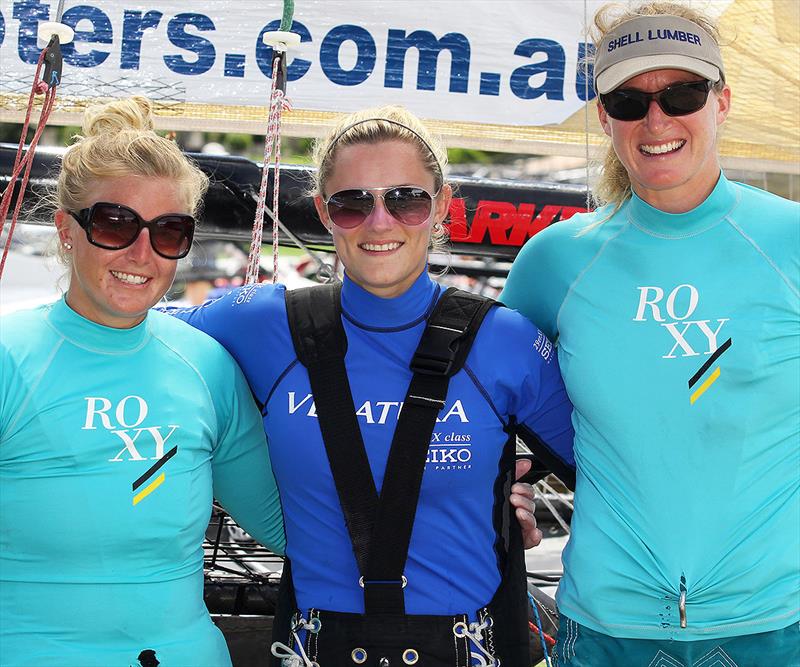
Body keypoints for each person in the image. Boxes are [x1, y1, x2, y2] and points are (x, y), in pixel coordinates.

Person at [171, 105, 576, 665]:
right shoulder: (262, 324)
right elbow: (126, 334)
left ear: (441, 208)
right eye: (352, 203)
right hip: (317, 647)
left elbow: (614, 469)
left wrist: (507, 499)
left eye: (405, 200)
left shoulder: (504, 341)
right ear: (323, 212)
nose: (380, 222)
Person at [501, 3, 800, 665]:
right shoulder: (555, 261)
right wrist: (499, 486)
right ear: (605, 117)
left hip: (776, 624)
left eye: (683, 94)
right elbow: (494, 406)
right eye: (630, 100)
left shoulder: (790, 239)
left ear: (721, 101)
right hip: (609, 626)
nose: (656, 119)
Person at [0, 97, 286, 666]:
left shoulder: (207, 364)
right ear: (65, 230)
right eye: (114, 223)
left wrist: (477, 500)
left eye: (169, 231)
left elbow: (293, 528)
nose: (141, 252)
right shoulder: (9, 357)